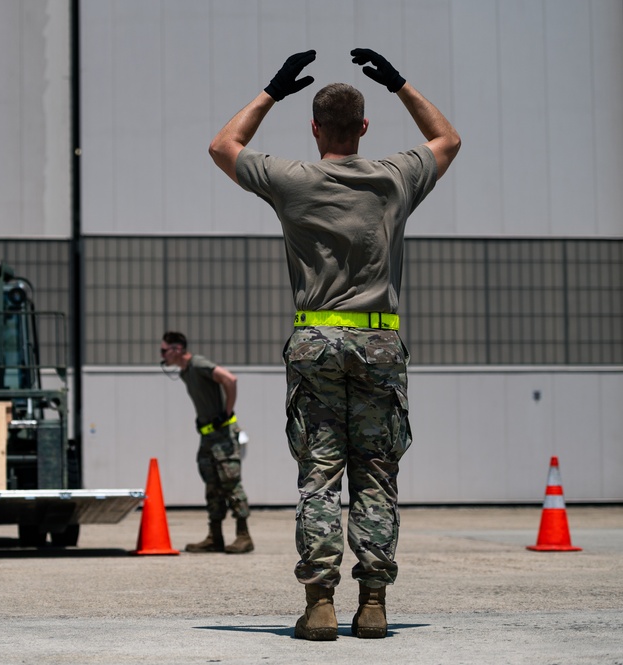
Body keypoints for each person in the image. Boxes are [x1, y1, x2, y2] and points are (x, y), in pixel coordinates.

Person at [209, 49, 460, 639]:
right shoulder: (394, 177)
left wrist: (272, 89)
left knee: (319, 476)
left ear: (315, 128)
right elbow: (446, 138)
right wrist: (398, 82)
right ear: (365, 128)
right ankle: (372, 603)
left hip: (316, 339)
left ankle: (319, 603)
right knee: (375, 473)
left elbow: (223, 146)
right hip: (379, 343)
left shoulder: (291, 180)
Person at [160, 331, 253, 554]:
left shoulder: (198, 364)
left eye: (164, 350)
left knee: (231, 482)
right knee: (212, 485)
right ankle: (215, 536)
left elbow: (230, 379)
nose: (162, 355)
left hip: (222, 434)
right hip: (208, 436)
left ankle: (244, 535)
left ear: (177, 349)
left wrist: (226, 413)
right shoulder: (184, 372)